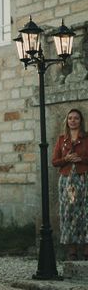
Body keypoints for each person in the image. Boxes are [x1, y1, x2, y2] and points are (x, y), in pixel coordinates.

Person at [52, 108, 88, 261]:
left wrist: (81, 159)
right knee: (68, 213)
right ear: (67, 121)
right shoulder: (62, 139)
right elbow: (54, 162)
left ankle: (87, 250)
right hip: (67, 181)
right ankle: (72, 251)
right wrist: (66, 159)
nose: (73, 121)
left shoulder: (86, 138)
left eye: (76, 118)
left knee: (85, 213)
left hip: (83, 179)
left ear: (81, 121)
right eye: (70, 118)